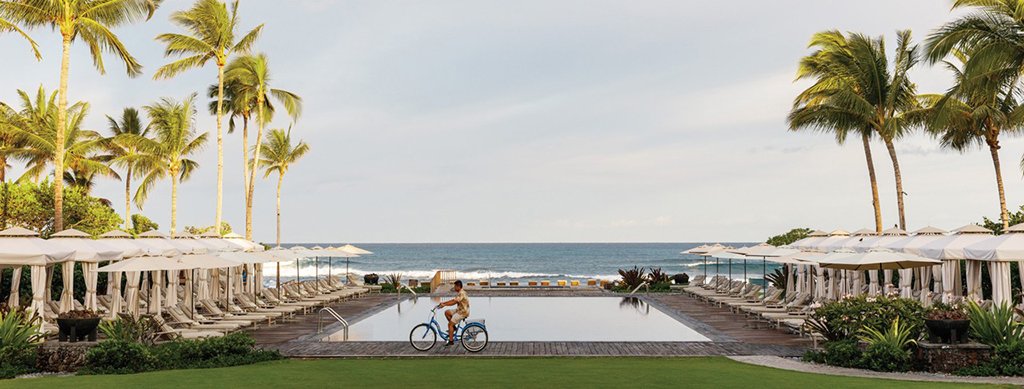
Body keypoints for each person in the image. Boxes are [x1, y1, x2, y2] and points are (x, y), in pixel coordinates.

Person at [436, 280, 469, 346]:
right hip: (459, 310)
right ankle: (453, 328)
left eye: (455, 286)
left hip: (463, 312)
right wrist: (443, 303)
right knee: (447, 312)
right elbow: (453, 300)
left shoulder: (462, 293)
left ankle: (451, 341)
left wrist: (444, 304)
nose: (454, 288)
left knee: (449, 325)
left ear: (458, 286)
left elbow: (454, 302)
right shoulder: (460, 292)